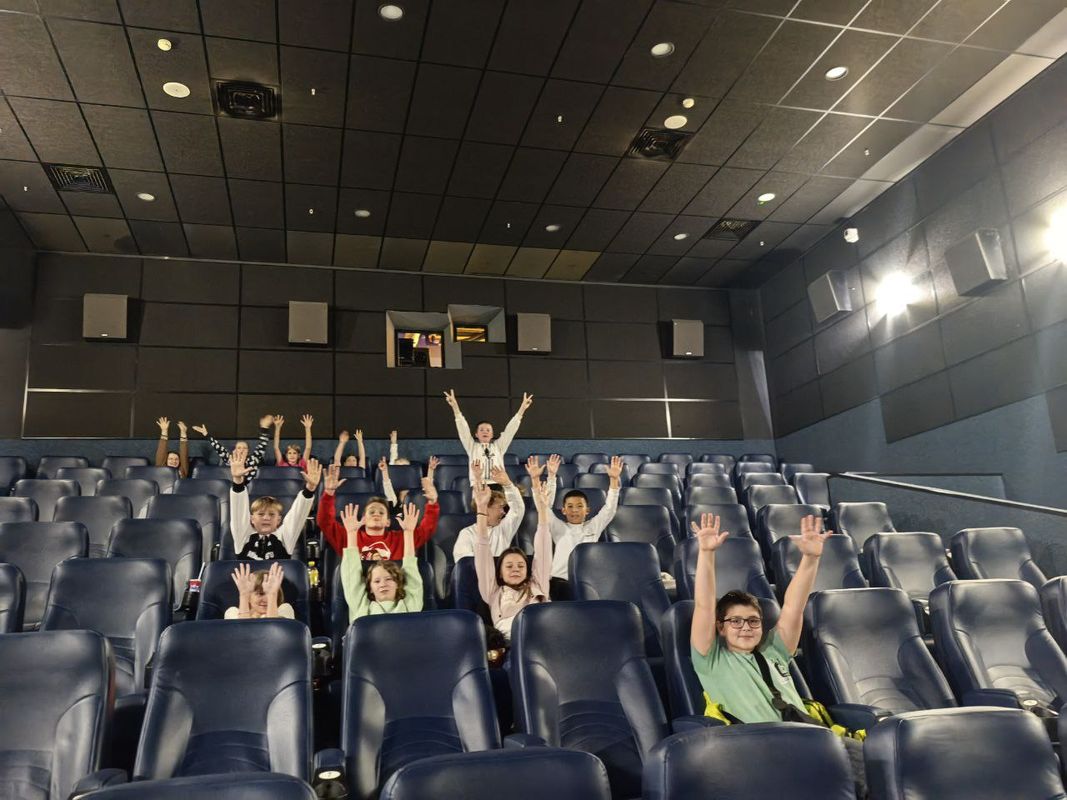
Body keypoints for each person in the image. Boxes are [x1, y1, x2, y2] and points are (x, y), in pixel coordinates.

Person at [689, 513, 866, 796]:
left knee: (884, 759)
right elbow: (703, 605)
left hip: (812, 740)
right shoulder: (711, 658)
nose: (745, 627)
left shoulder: (775, 649)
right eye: (735, 621)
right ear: (720, 627)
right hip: (763, 750)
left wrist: (810, 558)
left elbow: (794, 606)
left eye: (753, 621)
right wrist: (707, 553)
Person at [472, 461, 552, 643]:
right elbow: (482, 550)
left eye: (520, 566)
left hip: (544, 638)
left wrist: (542, 511)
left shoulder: (538, 585)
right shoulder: (493, 592)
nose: (515, 569)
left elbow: (544, 548)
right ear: (499, 572)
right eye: (509, 566)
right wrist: (482, 509)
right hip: (512, 643)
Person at [317, 463, 440, 560]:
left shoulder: (401, 539)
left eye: (381, 512)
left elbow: (426, 530)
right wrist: (328, 493)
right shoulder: (349, 536)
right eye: (371, 512)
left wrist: (432, 502)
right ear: (363, 520)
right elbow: (325, 522)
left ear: (388, 522)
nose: (376, 513)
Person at [544, 454, 623, 600]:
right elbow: (545, 507)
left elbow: (609, 509)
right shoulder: (558, 527)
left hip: (588, 582)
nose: (575, 510)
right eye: (570, 506)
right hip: (559, 582)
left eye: (580, 506)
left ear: (587, 510)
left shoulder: (594, 526)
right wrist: (551, 476)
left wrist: (613, 480)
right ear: (563, 510)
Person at [340, 501, 424, 622]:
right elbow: (351, 574)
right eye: (377, 581)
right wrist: (352, 533)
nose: (383, 584)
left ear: (398, 584)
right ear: (370, 588)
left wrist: (409, 532)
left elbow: (411, 569)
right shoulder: (361, 607)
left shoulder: (411, 606)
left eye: (389, 579)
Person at [229, 453, 321, 560]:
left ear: (278, 520)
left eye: (272, 514)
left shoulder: (284, 538)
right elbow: (238, 511)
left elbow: (297, 516)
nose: (266, 518)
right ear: (252, 519)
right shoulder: (243, 537)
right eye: (261, 514)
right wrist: (237, 481)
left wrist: (310, 489)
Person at [443, 390, 533, 483]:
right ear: (476, 434)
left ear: (492, 435)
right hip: (478, 485)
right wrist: (455, 408)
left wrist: (522, 410)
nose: (485, 432)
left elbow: (510, 431)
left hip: (498, 484)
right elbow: (463, 429)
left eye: (488, 430)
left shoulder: (499, 446)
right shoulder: (472, 447)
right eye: (481, 430)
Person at [452, 463, 524, 561]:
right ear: (487, 508)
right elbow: (465, 563)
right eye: (500, 507)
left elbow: (518, 509)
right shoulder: (467, 534)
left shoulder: (503, 530)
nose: (504, 512)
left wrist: (508, 485)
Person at [192, 414, 272, 480]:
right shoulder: (230, 460)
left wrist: (264, 428)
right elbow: (218, 448)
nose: (242, 450)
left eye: (244, 448)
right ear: (235, 450)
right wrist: (206, 435)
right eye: (239, 448)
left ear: (248, 450)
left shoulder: (254, 459)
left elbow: (262, 444)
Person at [225, 562, 293, 619]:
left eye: (269, 594)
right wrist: (244, 595)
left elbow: (273, 628)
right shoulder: (233, 612)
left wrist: (272, 595)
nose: (266, 599)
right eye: (261, 593)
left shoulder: (285, 609)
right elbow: (242, 629)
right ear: (249, 597)